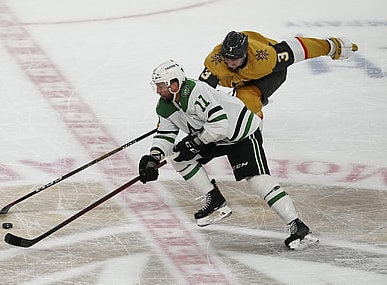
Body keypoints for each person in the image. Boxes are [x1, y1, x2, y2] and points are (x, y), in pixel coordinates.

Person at [138, 60, 318, 250]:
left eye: (160, 86)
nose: (158, 91)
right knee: (179, 158)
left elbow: (219, 124)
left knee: (258, 181)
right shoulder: (165, 105)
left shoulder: (196, 92)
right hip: (213, 137)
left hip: (241, 134)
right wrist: (153, 157)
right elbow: (165, 134)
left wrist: (194, 143)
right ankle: (214, 198)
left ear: (174, 84)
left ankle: (297, 225)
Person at [199, 31, 359, 118]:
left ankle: (252, 130)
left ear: (245, 53)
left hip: (270, 74)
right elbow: (199, 94)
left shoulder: (266, 58)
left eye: (236, 58)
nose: (231, 62)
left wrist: (331, 46)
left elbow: (300, 49)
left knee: (246, 101)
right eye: (227, 58)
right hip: (241, 79)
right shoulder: (214, 63)